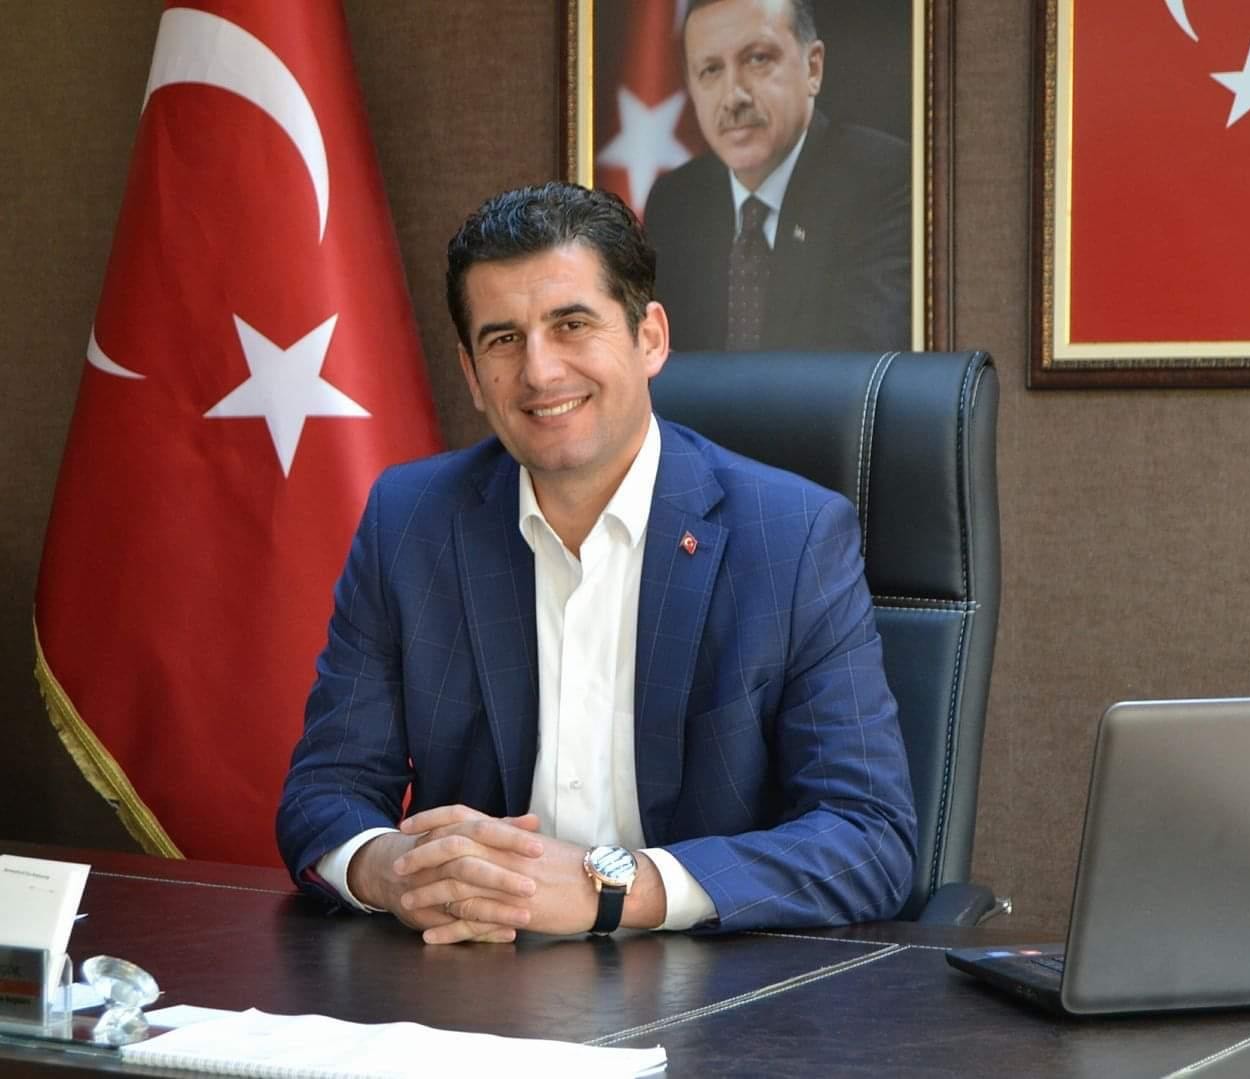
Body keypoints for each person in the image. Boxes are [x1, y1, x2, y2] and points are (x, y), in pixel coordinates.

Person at [276, 182, 916, 943]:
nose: (540, 372)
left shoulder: (792, 538)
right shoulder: (411, 520)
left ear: (650, 338)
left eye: (571, 324)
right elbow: (325, 792)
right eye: (503, 340)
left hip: (710, 983)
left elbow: (869, 837)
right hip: (473, 973)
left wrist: (611, 889)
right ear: (472, 375)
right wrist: (394, 869)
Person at [645, 0, 911, 353]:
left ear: (813, 68)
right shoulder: (676, 201)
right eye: (710, 70)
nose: (733, 97)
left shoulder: (881, 182)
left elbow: (855, 364)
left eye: (757, 59)